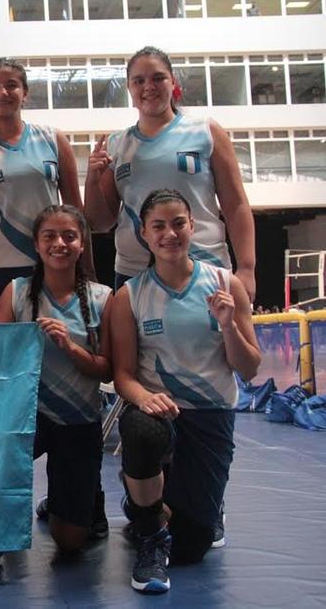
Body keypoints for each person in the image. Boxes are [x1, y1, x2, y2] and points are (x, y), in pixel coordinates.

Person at [110, 189, 260, 594]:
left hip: (211, 416)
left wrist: (227, 325)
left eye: (178, 223)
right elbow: (122, 374)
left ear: (193, 226)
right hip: (160, 413)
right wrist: (143, 398)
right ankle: (148, 530)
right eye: (158, 226)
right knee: (140, 430)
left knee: (193, 547)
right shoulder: (130, 295)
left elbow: (250, 366)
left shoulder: (224, 284)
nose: (169, 234)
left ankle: (149, 504)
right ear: (144, 234)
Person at [0, 205, 113, 581]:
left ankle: (63, 505)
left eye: (69, 236)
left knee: (70, 541)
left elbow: (108, 369)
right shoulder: (17, 292)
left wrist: (71, 348)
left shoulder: (104, 298)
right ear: (37, 245)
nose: (60, 243)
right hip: (27, 416)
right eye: (50, 237)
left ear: (82, 243)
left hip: (79, 420)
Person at [83, 46, 256, 300]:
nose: (148, 86)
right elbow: (100, 222)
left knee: (217, 339)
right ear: (129, 89)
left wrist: (247, 268)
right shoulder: (117, 144)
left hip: (205, 264)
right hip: (136, 272)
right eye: (139, 80)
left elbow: (236, 205)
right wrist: (92, 179)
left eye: (158, 78)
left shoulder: (205, 131)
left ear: (172, 82)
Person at [0, 57, 84, 314]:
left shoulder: (52, 139)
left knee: (55, 343)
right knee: (6, 349)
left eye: (11, 85)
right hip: (0, 267)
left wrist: (86, 269)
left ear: (25, 93)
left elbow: (76, 212)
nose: (3, 92)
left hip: (53, 263)